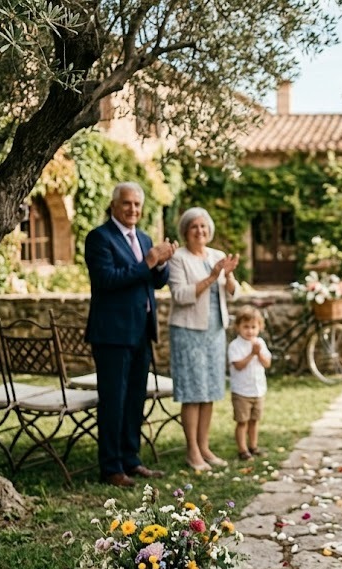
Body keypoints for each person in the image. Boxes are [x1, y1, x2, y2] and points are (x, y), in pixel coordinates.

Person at [86, 181, 175, 487]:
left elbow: (153, 281)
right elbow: (107, 280)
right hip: (112, 334)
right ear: (114, 205)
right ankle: (111, 468)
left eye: (137, 204)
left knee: (135, 399)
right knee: (114, 400)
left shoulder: (143, 237)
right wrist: (149, 261)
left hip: (141, 332)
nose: (133, 209)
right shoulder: (99, 238)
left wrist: (162, 264)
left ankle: (132, 459)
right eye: (127, 203)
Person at [168, 207, 240, 471]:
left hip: (214, 331)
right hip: (188, 331)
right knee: (192, 392)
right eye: (194, 226)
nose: (200, 230)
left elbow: (233, 292)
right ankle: (192, 452)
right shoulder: (178, 258)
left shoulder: (217, 255)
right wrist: (212, 276)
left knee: (209, 390)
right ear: (185, 231)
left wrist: (229, 274)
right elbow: (180, 295)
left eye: (203, 226)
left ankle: (205, 446)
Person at [228, 306, 272, 461]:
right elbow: (238, 365)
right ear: (238, 327)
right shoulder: (235, 346)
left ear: (260, 327)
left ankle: (253, 446)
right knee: (242, 422)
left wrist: (258, 352)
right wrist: (251, 354)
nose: (250, 331)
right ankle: (242, 449)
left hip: (258, 390)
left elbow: (267, 363)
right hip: (241, 392)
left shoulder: (260, 343)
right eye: (246, 327)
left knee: (254, 421)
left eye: (253, 327)